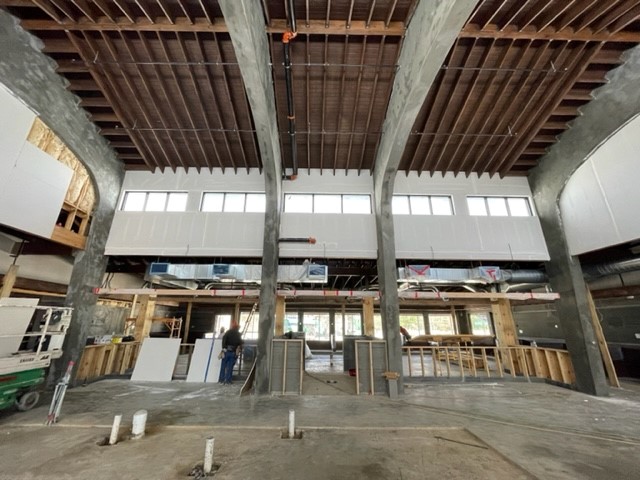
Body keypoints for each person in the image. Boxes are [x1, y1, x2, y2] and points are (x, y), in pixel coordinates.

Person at [218, 320, 244, 385]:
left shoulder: (228, 332)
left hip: (226, 351)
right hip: (233, 352)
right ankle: (228, 381)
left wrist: (224, 348)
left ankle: (221, 380)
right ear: (237, 328)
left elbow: (224, 339)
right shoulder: (238, 334)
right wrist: (242, 341)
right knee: (230, 367)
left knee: (223, 366)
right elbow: (240, 342)